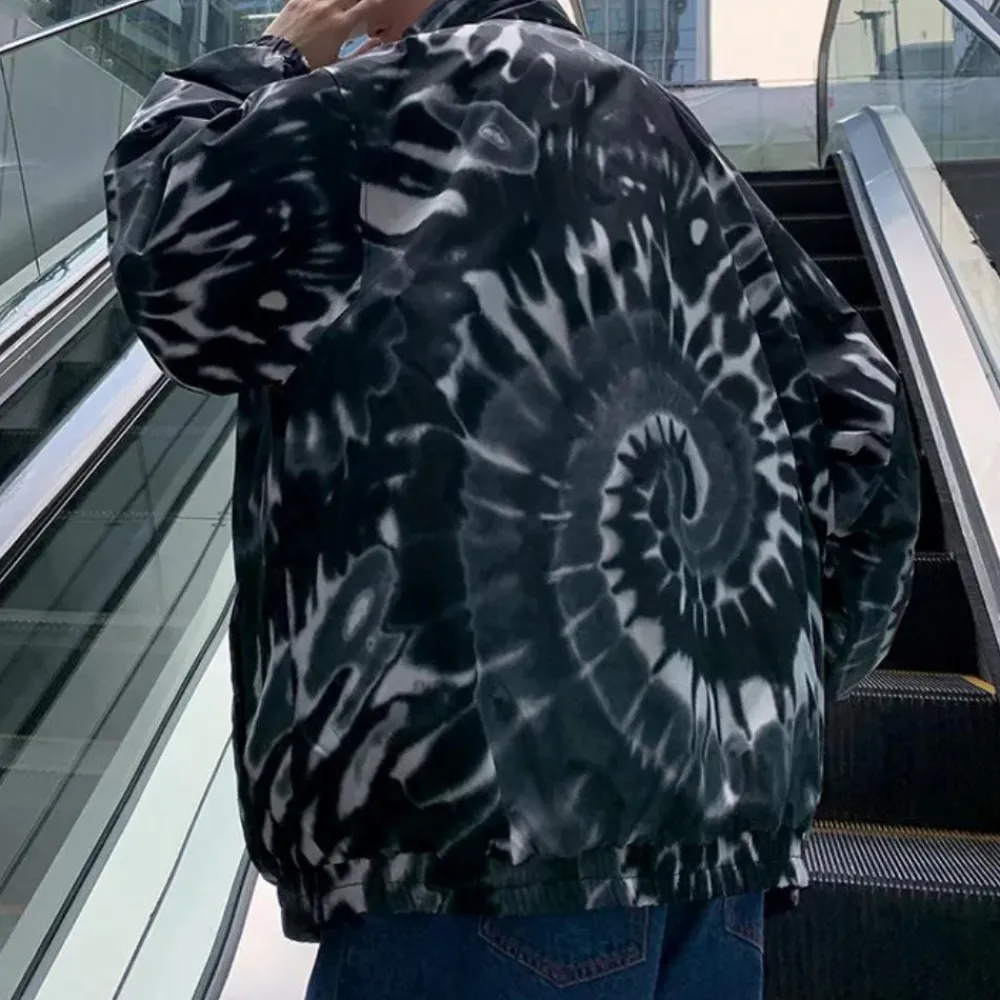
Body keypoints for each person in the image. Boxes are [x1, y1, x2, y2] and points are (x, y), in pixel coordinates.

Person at [102, 0, 920, 994]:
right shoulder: (688, 154)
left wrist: (279, 51)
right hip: (718, 861)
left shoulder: (383, 107)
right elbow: (867, 423)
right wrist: (777, 693)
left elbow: (172, 253)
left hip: (474, 847)